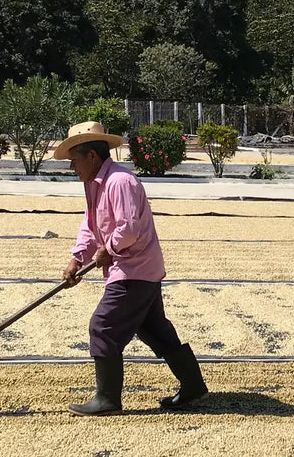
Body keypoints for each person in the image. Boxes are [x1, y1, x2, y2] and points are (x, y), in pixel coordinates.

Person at [53, 120, 208, 416]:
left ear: (92, 157)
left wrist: (107, 250)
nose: (71, 168)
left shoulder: (120, 182)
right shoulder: (94, 184)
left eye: (74, 161)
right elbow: (90, 226)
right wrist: (77, 258)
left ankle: (107, 399)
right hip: (139, 270)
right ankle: (193, 386)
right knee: (154, 329)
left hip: (133, 269)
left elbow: (128, 229)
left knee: (103, 326)